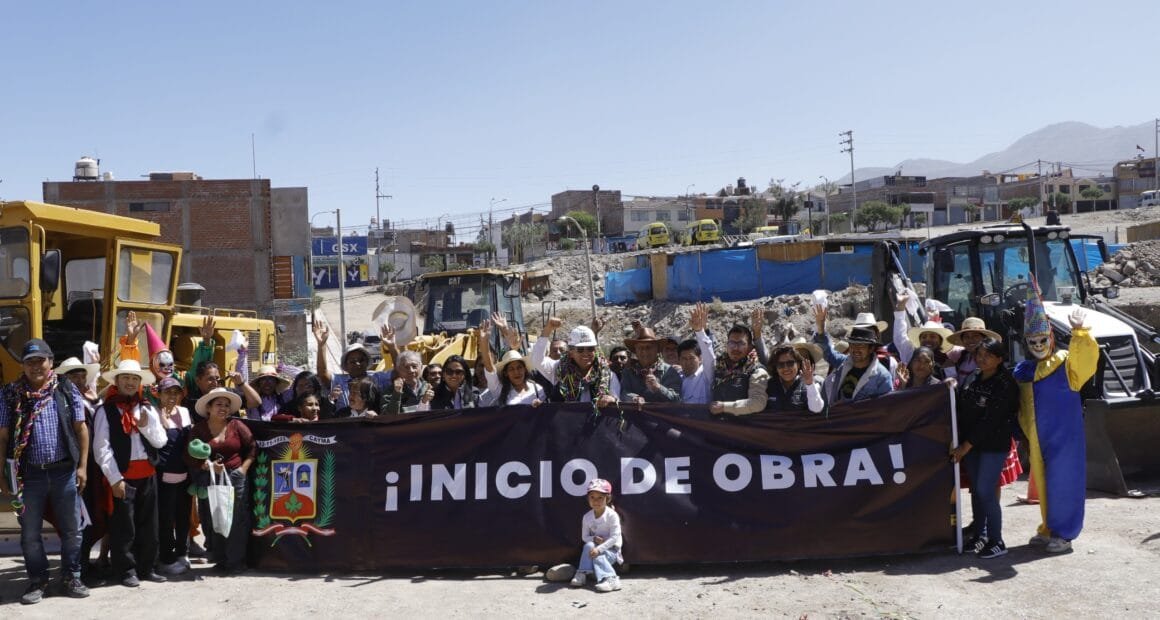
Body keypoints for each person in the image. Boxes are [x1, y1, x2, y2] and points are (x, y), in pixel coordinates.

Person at [0, 339, 91, 603]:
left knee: (73, 529)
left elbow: (81, 429)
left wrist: (83, 467)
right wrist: (2, 474)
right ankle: (38, 580)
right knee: (29, 533)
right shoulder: (9, 394)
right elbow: (3, 436)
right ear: (23, 365)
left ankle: (71, 576)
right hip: (28, 476)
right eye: (30, 361)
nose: (35, 366)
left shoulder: (65, 388)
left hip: (64, 472)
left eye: (40, 360)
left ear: (51, 362)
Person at [1015, 280, 1097, 554]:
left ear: (1051, 338)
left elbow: (1084, 362)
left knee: (1065, 483)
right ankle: (1049, 527)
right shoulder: (1025, 370)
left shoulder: (1064, 363)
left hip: (1064, 437)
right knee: (1045, 483)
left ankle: (1065, 534)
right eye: (1032, 341)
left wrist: (1080, 333)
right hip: (1039, 438)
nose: (1038, 345)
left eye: (1042, 340)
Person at [92, 359, 168, 587]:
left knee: (149, 525)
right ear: (117, 381)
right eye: (126, 377)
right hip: (123, 476)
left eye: (135, 378)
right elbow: (101, 448)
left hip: (148, 475)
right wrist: (115, 479)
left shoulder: (147, 407)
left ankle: (147, 567)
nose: (130, 382)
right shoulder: (105, 411)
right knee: (124, 527)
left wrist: (146, 426)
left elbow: (160, 441)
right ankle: (126, 570)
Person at [950, 337, 1019, 559]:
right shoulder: (973, 377)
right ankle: (979, 535)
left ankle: (997, 540)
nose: (981, 359)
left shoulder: (1006, 384)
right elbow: (961, 407)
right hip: (971, 445)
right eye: (978, 355)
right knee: (976, 492)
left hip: (992, 445)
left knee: (985, 491)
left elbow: (992, 419)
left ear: (999, 359)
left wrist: (965, 446)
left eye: (987, 355)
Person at [185, 388, 256, 574]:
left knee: (236, 519)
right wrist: (207, 466)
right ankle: (220, 560)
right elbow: (190, 455)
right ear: (208, 408)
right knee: (212, 517)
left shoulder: (237, 426)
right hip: (209, 479)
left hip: (235, 476)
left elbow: (252, 448)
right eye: (218, 404)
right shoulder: (198, 429)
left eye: (226, 405)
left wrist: (242, 470)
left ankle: (236, 562)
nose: (223, 408)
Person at [54, 356, 110, 584]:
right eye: (73, 376)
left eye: (81, 376)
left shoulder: (91, 399)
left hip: (95, 467)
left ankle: (84, 564)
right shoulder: (59, 401)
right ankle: (79, 570)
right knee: (78, 519)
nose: (78, 380)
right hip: (76, 467)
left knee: (93, 515)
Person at [153, 377, 193, 576]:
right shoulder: (153, 414)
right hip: (164, 475)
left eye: (175, 392)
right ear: (159, 394)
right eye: (167, 392)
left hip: (184, 474)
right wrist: (160, 420)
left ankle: (182, 553)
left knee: (183, 516)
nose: (172, 396)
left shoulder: (185, 412)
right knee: (166, 519)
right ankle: (166, 558)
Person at [531, 317, 619, 406]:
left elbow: (617, 400)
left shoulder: (608, 374)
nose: (586, 353)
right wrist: (548, 328)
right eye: (580, 349)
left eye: (590, 348)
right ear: (571, 353)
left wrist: (612, 399)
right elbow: (537, 360)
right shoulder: (558, 369)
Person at [315, 320, 393, 410]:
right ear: (346, 366)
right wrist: (322, 345)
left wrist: (392, 346)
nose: (357, 364)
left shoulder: (377, 377)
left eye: (361, 360)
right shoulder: (339, 381)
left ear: (367, 362)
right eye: (352, 361)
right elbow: (322, 372)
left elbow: (400, 371)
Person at [569, 478, 623, 593]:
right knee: (588, 545)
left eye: (600, 497)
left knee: (597, 555)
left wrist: (599, 549)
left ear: (607, 499)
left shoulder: (612, 515)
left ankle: (611, 579)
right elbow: (584, 537)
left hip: (612, 551)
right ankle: (582, 573)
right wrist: (593, 538)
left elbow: (615, 538)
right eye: (592, 497)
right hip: (595, 549)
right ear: (588, 499)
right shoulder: (587, 517)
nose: (596, 501)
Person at [477, 320, 546, 407]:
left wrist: (540, 405)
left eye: (519, 367)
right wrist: (484, 341)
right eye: (511, 369)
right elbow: (490, 368)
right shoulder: (500, 390)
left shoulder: (537, 389)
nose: (516, 372)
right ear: (506, 373)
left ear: (525, 369)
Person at [819, 325, 894, 404]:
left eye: (861, 345)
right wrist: (820, 325)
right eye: (853, 344)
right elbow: (827, 352)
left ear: (871, 349)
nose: (856, 349)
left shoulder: (882, 377)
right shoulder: (844, 363)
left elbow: (885, 408)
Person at [709, 325, 769, 416]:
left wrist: (724, 407)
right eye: (732, 343)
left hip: (742, 427)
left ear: (749, 347)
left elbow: (758, 403)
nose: (736, 348)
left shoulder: (756, 371)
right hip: (716, 426)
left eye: (741, 344)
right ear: (727, 345)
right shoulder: (719, 367)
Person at [619, 323, 683, 405]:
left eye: (648, 347)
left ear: (657, 349)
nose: (644, 351)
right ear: (635, 351)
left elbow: (677, 399)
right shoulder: (628, 372)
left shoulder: (669, 371)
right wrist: (634, 398)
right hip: (635, 417)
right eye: (640, 348)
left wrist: (658, 387)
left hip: (663, 417)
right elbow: (623, 392)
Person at [764, 344, 824, 413]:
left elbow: (817, 409)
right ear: (776, 367)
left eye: (790, 363)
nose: (786, 368)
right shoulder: (768, 385)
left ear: (798, 364)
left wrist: (810, 384)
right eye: (780, 364)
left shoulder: (810, 384)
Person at [677, 302, 716, 405]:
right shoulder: (676, 377)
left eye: (691, 358)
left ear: (700, 358)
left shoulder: (706, 375)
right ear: (679, 360)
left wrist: (699, 331)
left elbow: (710, 357)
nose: (687, 362)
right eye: (684, 359)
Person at [945, 317, 1002, 382]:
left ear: (984, 338)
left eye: (975, 336)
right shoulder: (963, 356)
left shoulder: (988, 359)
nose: (970, 340)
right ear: (962, 340)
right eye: (966, 337)